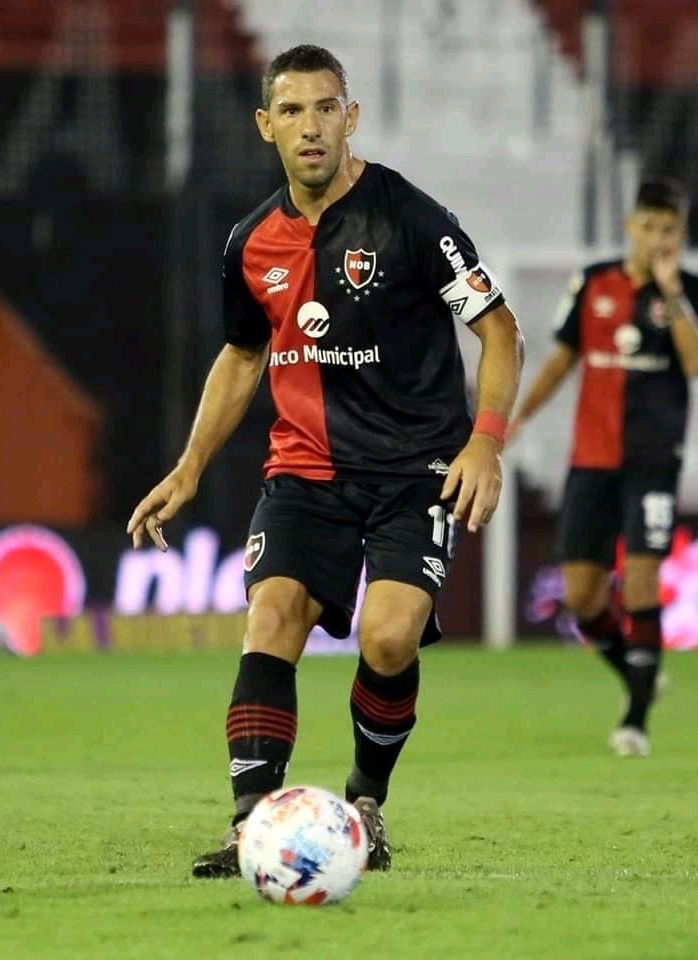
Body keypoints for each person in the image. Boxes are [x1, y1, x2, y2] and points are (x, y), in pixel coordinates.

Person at [126, 44, 524, 876]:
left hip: (416, 470)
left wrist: (485, 438)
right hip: (304, 471)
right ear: (266, 126)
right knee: (270, 616)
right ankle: (251, 828)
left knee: (387, 639)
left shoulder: (413, 220)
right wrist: (191, 466)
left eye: (326, 108)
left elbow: (498, 330)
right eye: (294, 111)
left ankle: (365, 803)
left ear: (352, 117)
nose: (312, 127)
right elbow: (242, 356)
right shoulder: (250, 243)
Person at [508, 178, 698, 757]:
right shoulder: (594, 281)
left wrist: (671, 292)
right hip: (591, 461)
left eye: (669, 229)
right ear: (631, 225)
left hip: (652, 463)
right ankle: (638, 674)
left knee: (644, 580)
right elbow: (561, 360)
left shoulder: (694, 292)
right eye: (648, 226)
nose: (657, 238)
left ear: (682, 233)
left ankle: (636, 721)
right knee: (582, 598)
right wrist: (515, 417)